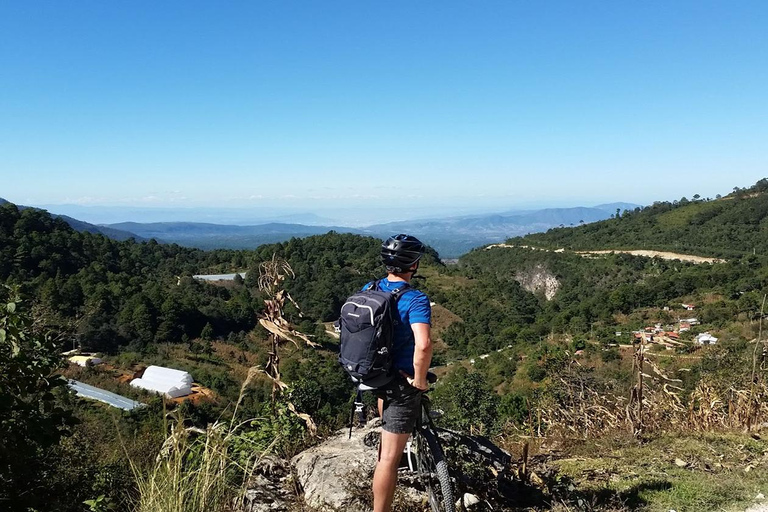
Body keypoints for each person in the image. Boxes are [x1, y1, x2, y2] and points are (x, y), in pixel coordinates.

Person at [371, 234, 433, 512]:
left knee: (386, 442)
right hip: (401, 382)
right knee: (388, 459)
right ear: (414, 265)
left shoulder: (370, 288)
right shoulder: (415, 299)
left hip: (376, 375)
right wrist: (418, 380)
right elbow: (424, 345)